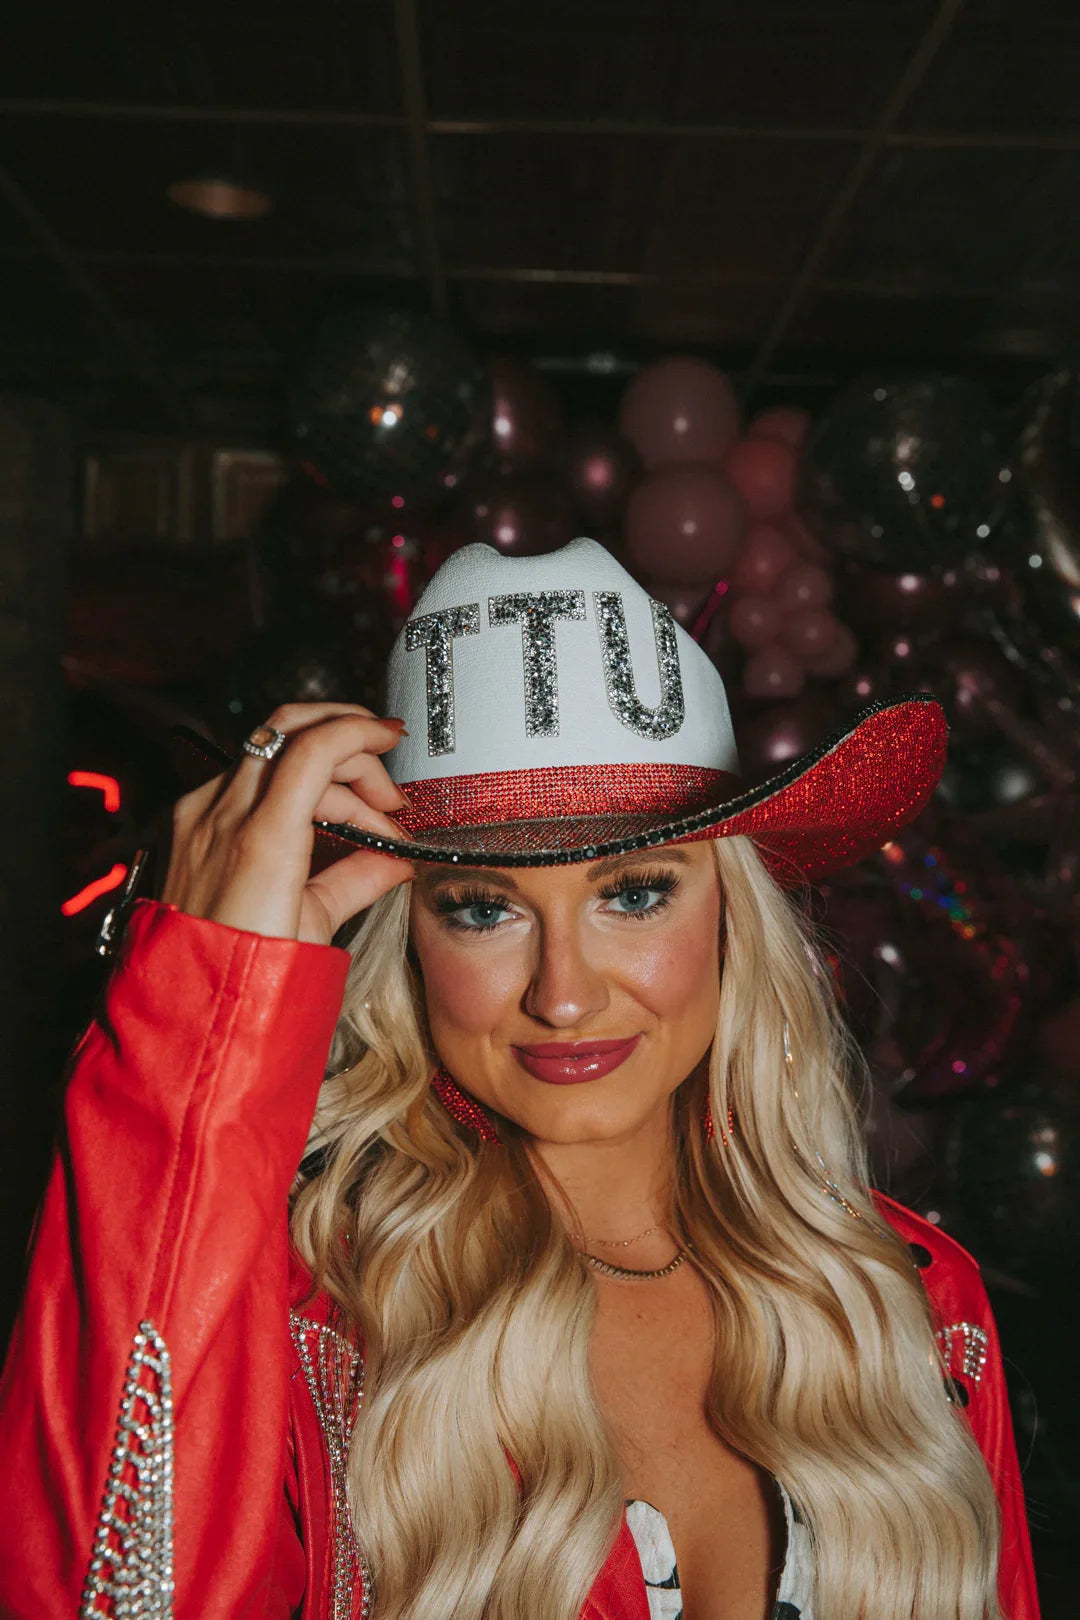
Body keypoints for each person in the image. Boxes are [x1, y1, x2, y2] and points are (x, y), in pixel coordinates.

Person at [0, 538, 1037, 1620]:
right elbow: (107, 1592)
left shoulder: (908, 1305)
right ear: (410, 941)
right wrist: (204, 1018)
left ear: (734, 914)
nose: (564, 995)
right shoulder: (315, 1327)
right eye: (483, 908)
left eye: (634, 894)